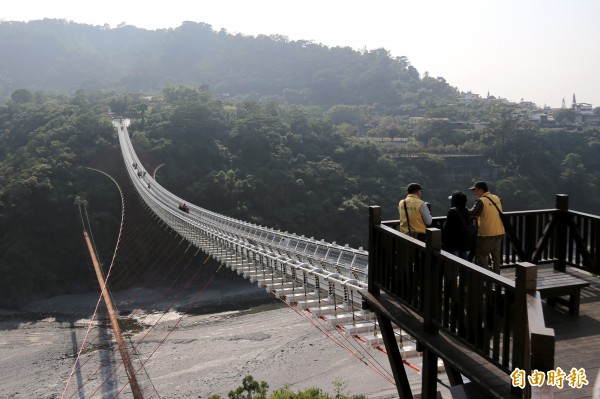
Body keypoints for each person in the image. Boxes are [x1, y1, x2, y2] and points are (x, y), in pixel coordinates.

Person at [468, 181, 505, 273]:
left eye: (475, 190)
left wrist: (465, 210)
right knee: (496, 258)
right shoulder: (496, 198)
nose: (474, 192)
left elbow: (472, 214)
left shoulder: (482, 201)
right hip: (499, 232)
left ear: (480, 190)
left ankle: (487, 278)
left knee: (480, 255)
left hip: (487, 233)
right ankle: (497, 279)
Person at [442, 191, 474, 260]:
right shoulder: (467, 210)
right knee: (464, 261)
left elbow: (448, 228)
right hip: (464, 241)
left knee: (453, 262)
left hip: (453, 242)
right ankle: (464, 271)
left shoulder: (452, 211)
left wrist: (443, 240)